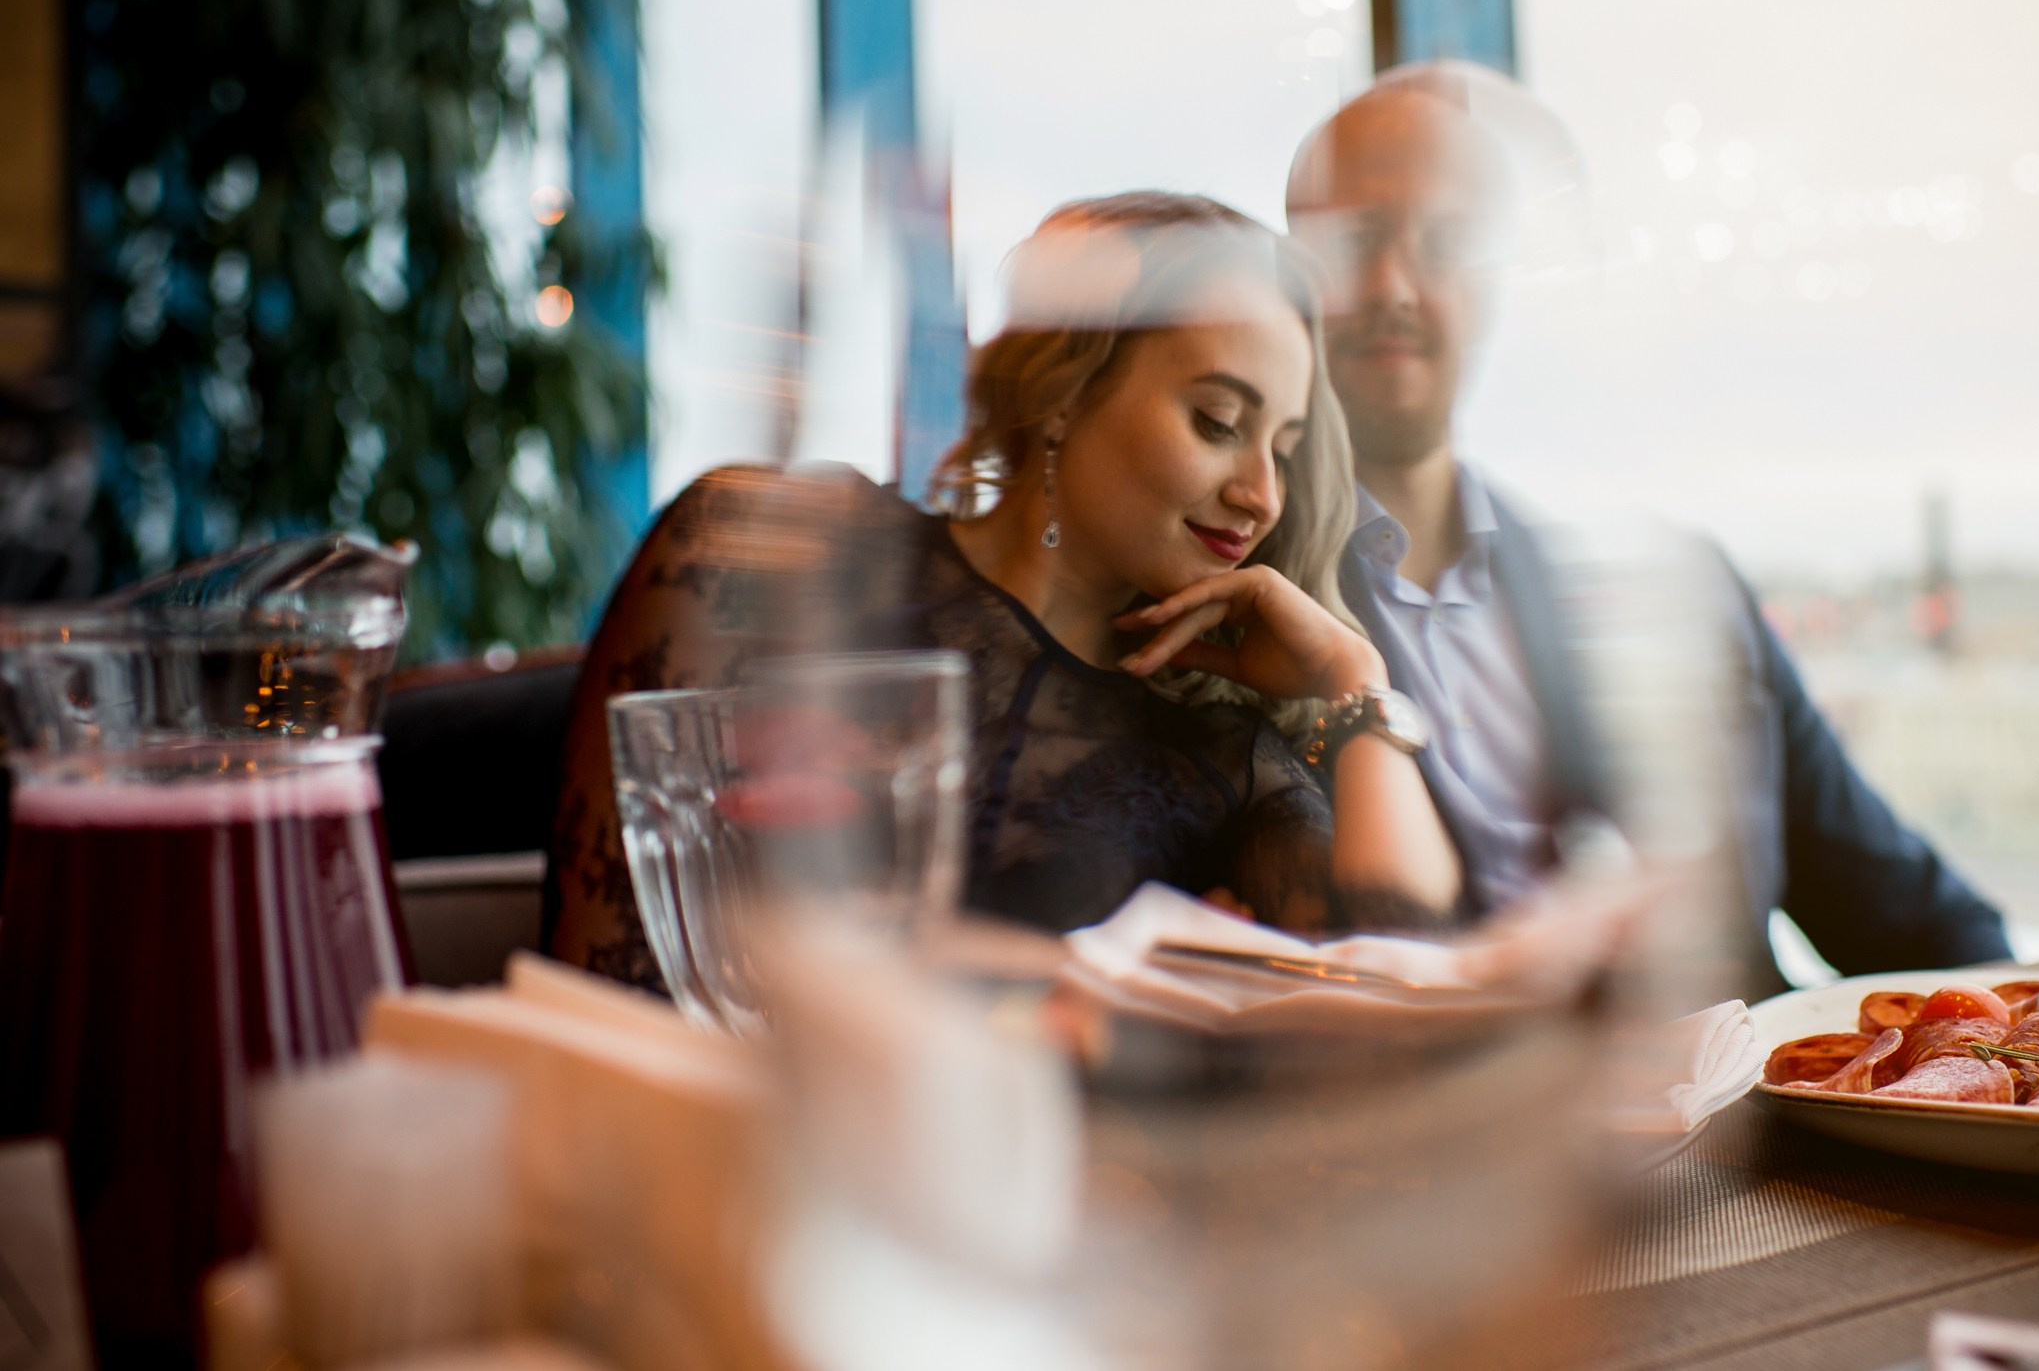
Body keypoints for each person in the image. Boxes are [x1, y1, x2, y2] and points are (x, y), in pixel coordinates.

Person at [546, 193, 1459, 988]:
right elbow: (596, 990)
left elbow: (1405, 997)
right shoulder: (757, 548)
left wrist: (1354, 675)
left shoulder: (1225, 764)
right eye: (1219, 421)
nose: (1262, 494)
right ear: (1066, 389)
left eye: (1285, 450)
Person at [1284, 64, 2009, 986]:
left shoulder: (1687, 597)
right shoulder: (1227, 618)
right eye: (1355, 241)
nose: (1393, 283)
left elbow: (1921, 928)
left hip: (1739, 1124)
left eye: (1445, 241)